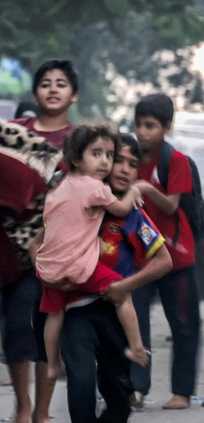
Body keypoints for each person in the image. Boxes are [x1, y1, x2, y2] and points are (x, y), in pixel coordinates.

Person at [58, 133, 172, 423]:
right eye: (115, 159)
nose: (122, 168)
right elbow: (41, 243)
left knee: (119, 393)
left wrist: (124, 286)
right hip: (77, 309)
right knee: (79, 382)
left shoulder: (132, 215)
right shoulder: (79, 200)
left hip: (115, 312)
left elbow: (163, 261)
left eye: (130, 163)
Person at [0, 59, 78, 423]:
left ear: (73, 95)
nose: (52, 89)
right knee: (15, 326)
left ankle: (42, 414)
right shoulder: (13, 133)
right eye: (45, 83)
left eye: (61, 83)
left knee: (50, 330)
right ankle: (22, 408)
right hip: (13, 249)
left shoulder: (80, 141)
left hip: (61, 251)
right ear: (34, 93)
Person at [36, 124, 149, 379]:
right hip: (78, 268)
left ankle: (52, 365)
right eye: (96, 154)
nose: (105, 162)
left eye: (109, 155)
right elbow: (120, 209)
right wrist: (134, 190)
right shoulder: (95, 187)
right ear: (76, 158)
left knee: (54, 315)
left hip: (49, 268)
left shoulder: (58, 189)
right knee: (121, 293)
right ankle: (135, 347)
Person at [130, 93, 201, 410]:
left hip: (176, 257)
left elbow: (172, 204)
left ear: (167, 127)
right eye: (139, 125)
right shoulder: (127, 161)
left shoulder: (175, 161)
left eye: (151, 126)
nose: (143, 132)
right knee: (134, 325)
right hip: (139, 258)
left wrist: (145, 188)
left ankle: (182, 392)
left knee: (185, 324)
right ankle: (137, 388)